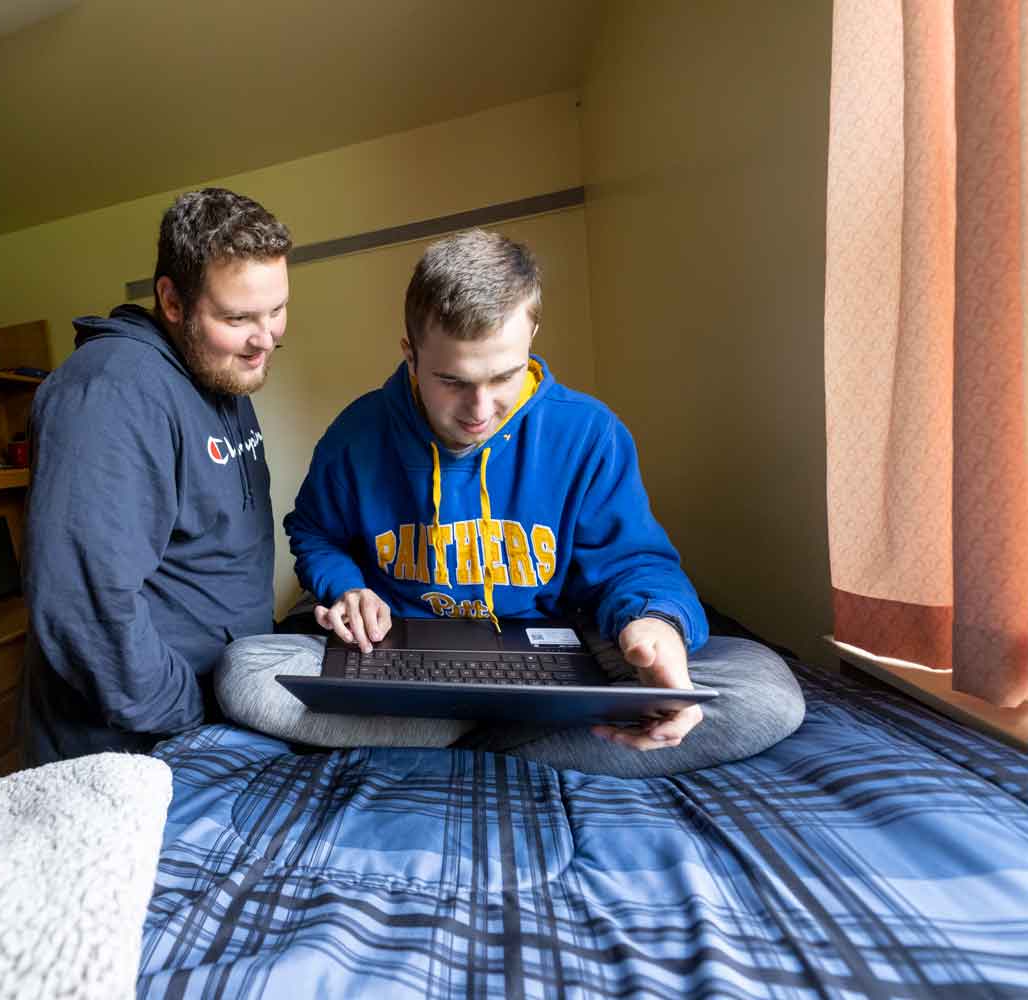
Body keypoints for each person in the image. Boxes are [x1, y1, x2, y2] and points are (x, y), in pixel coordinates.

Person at [217, 229, 804, 778]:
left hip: (551, 651)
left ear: (531, 341)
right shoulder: (356, 433)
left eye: (505, 377)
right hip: (405, 657)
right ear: (410, 354)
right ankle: (518, 742)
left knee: (765, 695)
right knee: (244, 673)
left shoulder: (589, 432)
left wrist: (655, 622)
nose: (480, 408)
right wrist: (347, 587)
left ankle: (457, 738)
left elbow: (635, 563)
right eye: (452, 381)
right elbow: (315, 532)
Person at [21, 188, 292, 763]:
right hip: (138, 744)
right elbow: (84, 607)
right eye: (238, 317)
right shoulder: (112, 391)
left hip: (212, 719)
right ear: (172, 301)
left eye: (276, 310)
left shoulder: (222, 373)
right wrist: (188, 714)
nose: (266, 339)